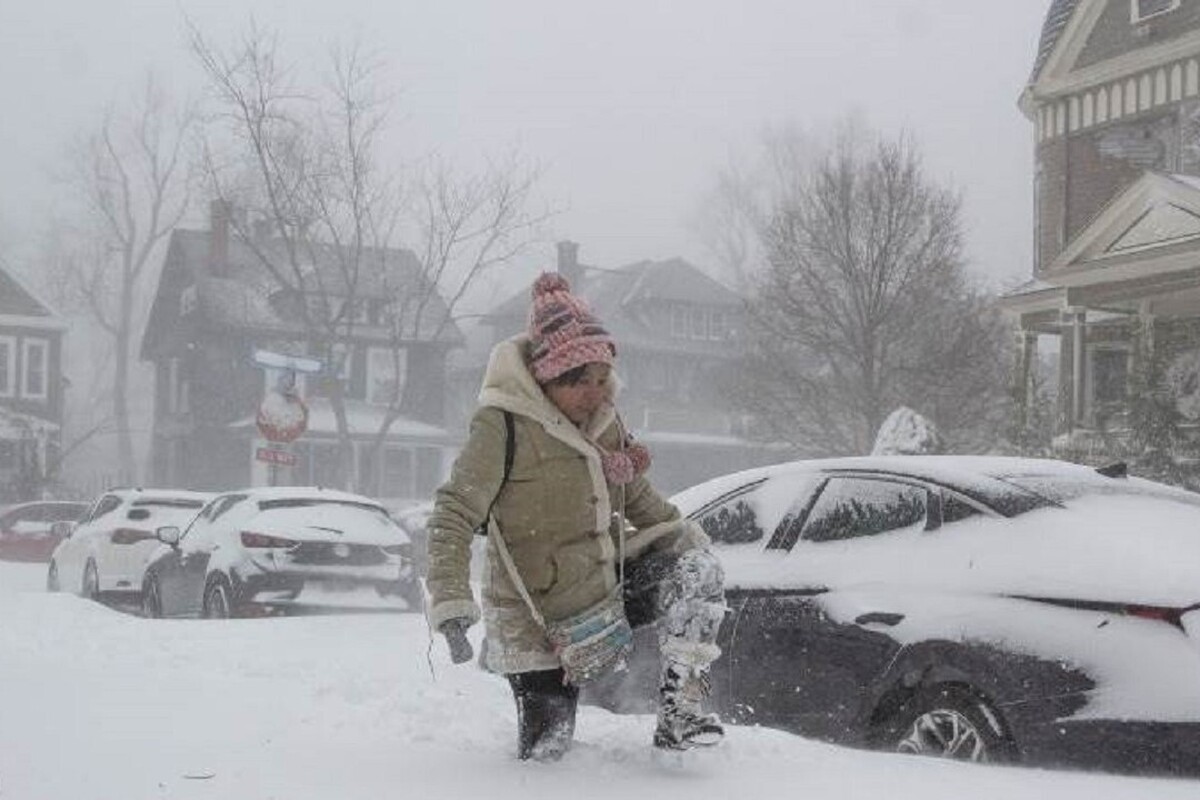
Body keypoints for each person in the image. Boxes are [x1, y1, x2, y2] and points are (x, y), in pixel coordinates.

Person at [425, 272, 727, 761]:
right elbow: (453, 513)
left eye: (601, 378)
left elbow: (640, 501)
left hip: (605, 589)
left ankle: (682, 713)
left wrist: (693, 544)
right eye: (579, 381)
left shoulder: (604, 424)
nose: (595, 393)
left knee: (696, 570)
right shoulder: (502, 424)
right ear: (547, 377)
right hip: (536, 615)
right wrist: (452, 604)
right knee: (549, 754)